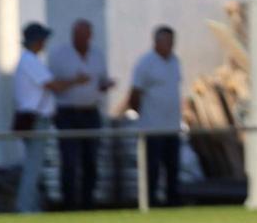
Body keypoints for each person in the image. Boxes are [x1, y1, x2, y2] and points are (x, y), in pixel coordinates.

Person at [12, 22, 88, 213]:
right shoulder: (30, 61)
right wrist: (76, 81)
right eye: (43, 39)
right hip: (35, 119)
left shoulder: (30, 60)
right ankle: (25, 208)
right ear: (36, 41)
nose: (45, 43)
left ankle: (31, 205)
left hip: (35, 119)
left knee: (35, 166)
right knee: (33, 166)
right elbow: (54, 85)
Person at [48, 19, 114, 210]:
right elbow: (53, 85)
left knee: (91, 160)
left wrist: (104, 85)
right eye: (78, 35)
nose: (81, 39)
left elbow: (100, 81)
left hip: (91, 112)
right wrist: (75, 81)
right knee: (69, 160)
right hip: (67, 113)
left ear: (90, 36)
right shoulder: (60, 55)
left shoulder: (98, 55)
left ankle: (88, 202)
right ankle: (68, 203)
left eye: (84, 35)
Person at [127, 25, 183, 207]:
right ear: (156, 42)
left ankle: (172, 202)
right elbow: (134, 94)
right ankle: (149, 203)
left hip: (172, 127)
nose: (170, 45)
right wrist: (143, 115)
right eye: (166, 41)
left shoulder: (175, 61)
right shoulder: (145, 63)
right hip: (152, 127)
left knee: (173, 168)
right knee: (152, 169)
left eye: (171, 41)